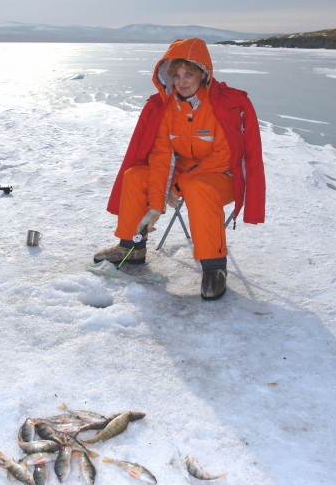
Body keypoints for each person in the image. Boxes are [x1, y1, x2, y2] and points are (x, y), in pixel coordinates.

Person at [94, 38, 265, 300]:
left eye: (189, 74)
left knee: (198, 186)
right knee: (136, 176)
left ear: (203, 75)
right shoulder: (167, 109)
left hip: (222, 178)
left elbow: (224, 156)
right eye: (176, 75)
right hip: (181, 175)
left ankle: (214, 268)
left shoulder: (222, 106)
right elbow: (162, 156)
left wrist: (177, 185)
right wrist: (155, 203)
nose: (182, 81)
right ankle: (132, 246)